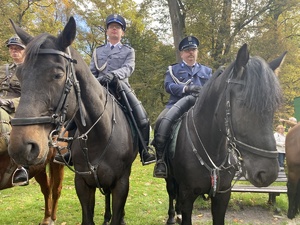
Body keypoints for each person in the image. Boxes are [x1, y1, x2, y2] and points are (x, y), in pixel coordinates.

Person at [55, 14, 155, 165]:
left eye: (118, 28)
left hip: (120, 88)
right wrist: (94, 82)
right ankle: (69, 150)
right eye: (111, 27)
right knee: (77, 113)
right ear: (107, 31)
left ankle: (144, 151)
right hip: (98, 88)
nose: (114, 30)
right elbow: (91, 72)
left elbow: (129, 68)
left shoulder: (129, 51)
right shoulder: (98, 51)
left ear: (123, 33)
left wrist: (114, 75)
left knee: (141, 117)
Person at [153, 36, 212, 178]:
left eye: (193, 50)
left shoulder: (207, 71)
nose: (190, 53)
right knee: (161, 121)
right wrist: (186, 88)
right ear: (181, 54)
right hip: (177, 104)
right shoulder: (173, 69)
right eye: (187, 50)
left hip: (201, 107)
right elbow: (168, 86)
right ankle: (161, 160)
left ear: (197, 52)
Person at [0, 35, 28, 186]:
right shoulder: (3, 69)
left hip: (19, 107)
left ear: (25, 51)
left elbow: (32, 95)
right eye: (12, 48)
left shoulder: (32, 70)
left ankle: (21, 167)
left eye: (18, 48)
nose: (14, 51)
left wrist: (9, 102)